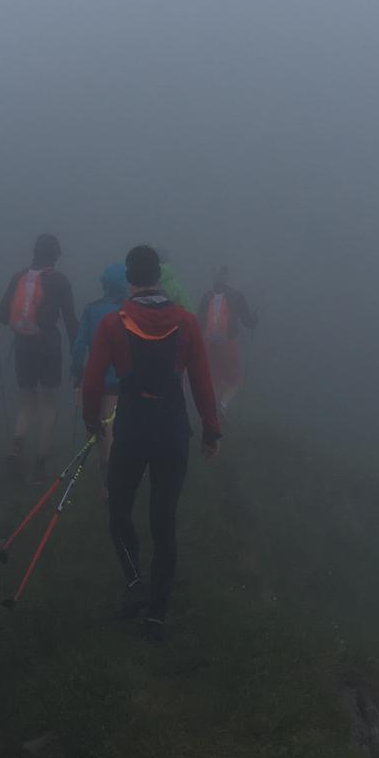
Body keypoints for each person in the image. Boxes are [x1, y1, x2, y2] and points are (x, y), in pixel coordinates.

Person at [81, 244, 221, 643]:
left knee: (119, 512)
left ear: (130, 278)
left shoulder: (114, 322)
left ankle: (134, 582)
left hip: (132, 431)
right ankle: (157, 618)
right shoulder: (186, 323)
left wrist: (93, 423)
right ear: (158, 276)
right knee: (164, 524)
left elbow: (92, 382)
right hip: (172, 431)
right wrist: (211, 430)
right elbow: (202, 383)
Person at [0, 233, 78, 481]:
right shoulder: (60, 280)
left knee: (27, 401)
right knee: (49, 403)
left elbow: (2, 314)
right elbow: (70, 320)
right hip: (49, 345)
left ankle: (17, 445)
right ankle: (42, 459)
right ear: (55, 256)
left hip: (23, 344)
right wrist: (78, 351)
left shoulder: (18, 277)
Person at [70, 262, 127, 489]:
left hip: (93, 375)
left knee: (94, 423)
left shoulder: (91, 309)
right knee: (112, 424)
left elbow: (79, 345)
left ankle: (102, 471)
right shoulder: (127, 311)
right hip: (118, 377)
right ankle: (111, 476)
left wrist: (77, 372)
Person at [196, 266, 258, 419]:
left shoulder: (206, 296)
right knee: (234, 380)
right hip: (228, 344)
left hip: (209, 344)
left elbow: (199, 322)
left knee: (214, 377)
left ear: (213, 278)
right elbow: (248, 322)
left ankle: (210, 410)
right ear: (227, 278)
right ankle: (223, 406)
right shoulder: (236, 296)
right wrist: (255, 319)